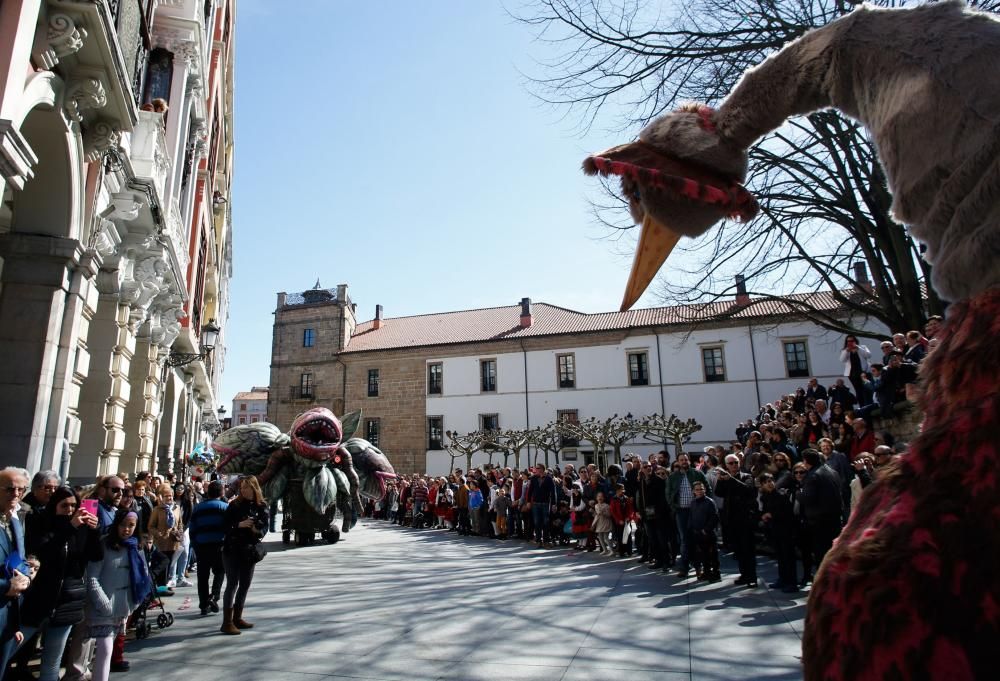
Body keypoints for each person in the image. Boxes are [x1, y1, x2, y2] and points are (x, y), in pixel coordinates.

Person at [18, 487, 101, 681]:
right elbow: (44, 553)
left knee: (52, 662)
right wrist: (69, 527)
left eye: (74, 505)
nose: (69, 510)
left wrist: (94, 531)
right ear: (54, 506)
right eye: (64, 505)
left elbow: (95, 556)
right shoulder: (41, 524)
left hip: (67, 601)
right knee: (12, 646)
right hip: (38, 600)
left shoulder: (80, 529)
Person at [85, 510, 150, 681]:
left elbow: (142, 576)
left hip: (123, 606)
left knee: (108, 650)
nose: (126, 529)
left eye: (131, 525)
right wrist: (103, 603)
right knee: (105, 649)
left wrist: (135, 603)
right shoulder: (104, 544)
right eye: (123, 524)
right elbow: (92, 577)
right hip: (103, 606)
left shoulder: (136, 546)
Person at [219, 476, 269, 635]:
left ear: (255, 488)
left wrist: (256, 529)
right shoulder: (234, 505)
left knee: (245, 584)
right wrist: (238, 525)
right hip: (232, 548)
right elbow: (224, 526)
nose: (244, 490)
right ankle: (226, 622)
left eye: (247, 487)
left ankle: (237, 618)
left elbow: (264, 529)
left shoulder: (261, 506)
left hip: (249, 550)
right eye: (242, 488)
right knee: (232, 584)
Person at [0, 468, 31, 676]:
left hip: (9, 617)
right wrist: (6, 586)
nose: (16, 494)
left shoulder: (14, 521)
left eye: (21, 489)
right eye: (10, 489)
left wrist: (27, 576)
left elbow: (20, 559)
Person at [715, 455, 758, 587]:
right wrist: (721, 480)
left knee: (748, 550)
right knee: (738, 550)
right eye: (731, 463)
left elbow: (748, 490)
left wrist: (731, 479)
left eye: (735, 462)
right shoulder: (726, 479)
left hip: (745, 518)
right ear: (726, 466)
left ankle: (752, 577)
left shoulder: (747, 476)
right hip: (732, 519)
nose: (734, 465)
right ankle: (744, 575)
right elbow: (719, 493)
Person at [188, 480, 228, 617]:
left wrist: (195, 544)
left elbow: (192, 528)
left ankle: (203, 604)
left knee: (203, 576)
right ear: (221, 492)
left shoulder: (198, 508)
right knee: (220, 571)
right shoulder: (224, 507)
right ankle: (214, 596)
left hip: (202, 545)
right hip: (219, 545)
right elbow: (229, 527)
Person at [667, 453, 709, 578]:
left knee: (697, 539)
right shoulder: (673, 477)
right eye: (681, 460)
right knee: (684, 540)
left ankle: (698, 567)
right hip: (681, 512)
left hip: (696, 510)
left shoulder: (697, 474)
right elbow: (668, 494)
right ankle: (684, 567)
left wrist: (706, 507)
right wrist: (674, 507)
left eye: (686, 459)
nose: (684, 461)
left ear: (689, 461)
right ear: (678, 462)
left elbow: (707, 488)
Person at [147, 483, 184, 588]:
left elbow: (180, 523)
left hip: (173, 542)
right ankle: (159, 586)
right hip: (161, 542)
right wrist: (158, 534)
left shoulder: (176, 508)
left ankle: (164, 586)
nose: (169, 498)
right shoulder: (157, 510)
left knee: (169, 565)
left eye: (171, 495)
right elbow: (150, 526)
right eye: (166, 496)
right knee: (162, 564)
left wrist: (179, 531)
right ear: (161, 497)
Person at [688, 481, 720, 582]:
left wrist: (706, 530)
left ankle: (716, 574)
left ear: (705, 489)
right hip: (697, 534)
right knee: (703, 555)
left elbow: (714, 517)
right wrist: (691, 528)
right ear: (693, 491)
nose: (700, 491)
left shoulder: (710, 502)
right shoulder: (693, 503)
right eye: (697, 490)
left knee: (713, 555)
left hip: (708, 534)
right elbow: (691, 517)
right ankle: (706, 573)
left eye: (701, 489)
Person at [839, 335, 872, 407]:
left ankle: (869, 404)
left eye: (852, 341)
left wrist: (858, 348)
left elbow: (868, 355)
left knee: (867, 389)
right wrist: (846, 351)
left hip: (863, 371)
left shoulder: (862, 347)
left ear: (855, 341)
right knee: (858, 390)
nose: (850, 343)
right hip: (852, 373)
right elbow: (842, 360)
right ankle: (862, 406)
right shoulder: (845, 350)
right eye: (848, 341)